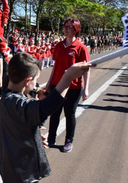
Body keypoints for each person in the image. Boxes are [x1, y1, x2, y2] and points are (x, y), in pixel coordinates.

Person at [0, 52, 94, 183]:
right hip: (21, 173)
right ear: (27, 80)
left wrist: (31, 136)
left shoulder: (6, 99)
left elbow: (16, 127)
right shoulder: (15, 102)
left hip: (14, 169)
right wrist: (67, 78)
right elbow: (46, 107)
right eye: (35, 80)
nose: (36, 84)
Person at [46, 18, 90, 153]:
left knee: (69, 114)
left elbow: (86, 68)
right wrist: (49, 82)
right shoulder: (59, 46)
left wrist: (86, 88)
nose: (66, 29)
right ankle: (51, 138)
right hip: (57, 85)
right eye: (65, 27)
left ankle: (68, 141)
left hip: (74, 87)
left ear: (76, 29)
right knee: (54, 112)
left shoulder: (81, 47)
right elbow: (55, 66)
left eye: (69, 27)